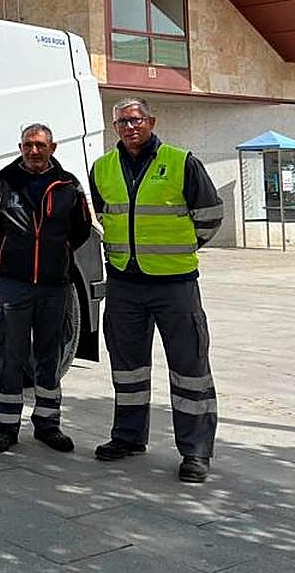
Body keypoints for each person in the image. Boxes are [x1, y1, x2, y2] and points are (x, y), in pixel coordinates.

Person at [89, 97, 223, 483]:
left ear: (151, 121)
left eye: (135, 120)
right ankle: (128, 437)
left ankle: (195, 452)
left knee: (190, 369)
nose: (129, 127)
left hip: (174, 284)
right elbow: (104, 214)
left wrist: (181, 248)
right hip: (124, 283)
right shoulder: (102, 168)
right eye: (121, 122)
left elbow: (210, 215)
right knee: (127, 368)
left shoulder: (182, 162)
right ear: (115, 127)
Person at [0, 123, 92, 454]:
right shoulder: (2, 182)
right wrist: (13, 253)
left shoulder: (68, 185)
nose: (33, 150)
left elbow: (81, 229)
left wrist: (57, 253)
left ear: (52, 148)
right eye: (28, 144)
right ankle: (5, 426)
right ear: (20, 147)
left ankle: (48, 424)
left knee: (50, 355)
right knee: (9, 355)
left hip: (54, 286)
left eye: (40, 145)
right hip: (12, 285)